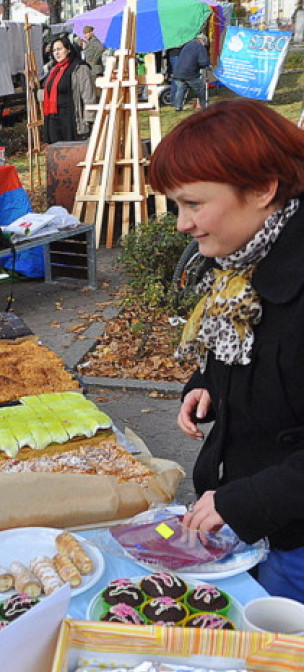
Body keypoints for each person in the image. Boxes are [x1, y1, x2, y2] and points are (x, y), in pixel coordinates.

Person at [149, 101, 304, 602]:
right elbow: (243, 354)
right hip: (254, 515)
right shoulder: (242, 265)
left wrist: (248, 499)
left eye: (194, 203)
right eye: (176, 205)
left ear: (262, 189)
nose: (182, 224)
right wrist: (208, 386)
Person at [41, 35, 95, 144]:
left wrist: (89, 119)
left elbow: (88, 96)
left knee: (72, 150)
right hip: (54, 118)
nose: (56, 53)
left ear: (68, 50)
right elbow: (50, 91)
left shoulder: (79, 68)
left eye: (59, 49)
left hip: (71, 117)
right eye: (54, 50)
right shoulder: (54, 70)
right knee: (57, 152)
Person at [171, 33, 211, 112]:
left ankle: (177, 107)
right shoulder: (200, 47)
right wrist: (207, 64)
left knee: (180, 90)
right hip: (189, 73)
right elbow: (203, 62)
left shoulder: (187, 45)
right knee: (200, 89)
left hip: (178, 72)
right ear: (203, 41)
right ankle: (204, 106)